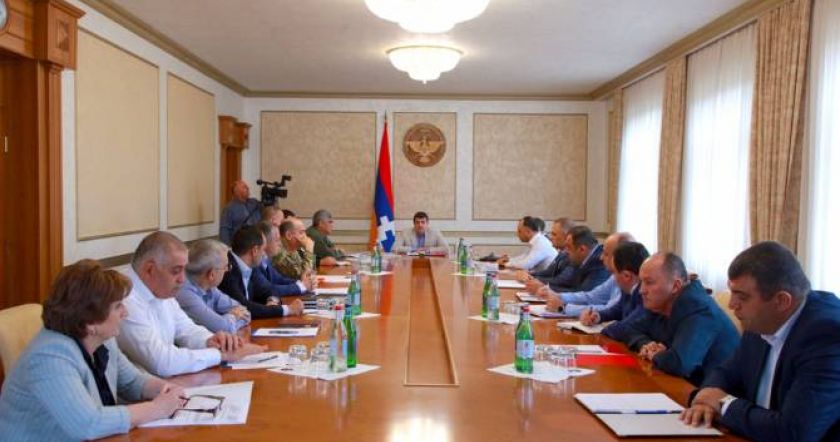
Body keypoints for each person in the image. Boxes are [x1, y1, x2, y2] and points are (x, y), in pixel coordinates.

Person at [0, 260, 188, 440]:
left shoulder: (102, 340)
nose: (125, 313)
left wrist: (163, 389)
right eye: (118, 306)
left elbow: (131, 381)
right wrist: (157, 408)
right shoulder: (49, 358)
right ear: (90, 321)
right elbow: (89, 424)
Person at [681, 241, 840, 440]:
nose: (731, 304)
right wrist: (705, 400)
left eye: (742, 297)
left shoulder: (827, 336)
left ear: (781, 301)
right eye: (732, 293)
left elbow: (793, 433)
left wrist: (723, 404)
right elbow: (726, 372)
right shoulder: (761, 322)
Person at [117, 231, 264, 377]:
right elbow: (161, 362)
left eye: (184, 271)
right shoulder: (125, 301)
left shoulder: (162, 290)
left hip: (169, 383)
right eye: (176, 271)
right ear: (150, 269)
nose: (182, 279)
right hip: (145, 389)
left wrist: (212, 341)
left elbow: (187, 329)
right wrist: (220, 355)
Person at [623, 252, 739, 386]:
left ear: (675, 286)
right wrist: (647, 344)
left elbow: (680, 364)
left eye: (649, 283)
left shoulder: (698, 307)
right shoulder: (660, 304)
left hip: (716, 392)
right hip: (683, 384)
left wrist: (654, 355)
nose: (641, 290)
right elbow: (629, 328)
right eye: (641, 282)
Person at [218, 225, 305, 318]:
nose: (264, 254)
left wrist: (272, 300)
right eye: (263, 249)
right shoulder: (227, 270)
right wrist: (288, 309)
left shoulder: (249, 266)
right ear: (254, 251)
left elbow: (266, 291)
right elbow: (243, 306)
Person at [538, 231, 632, 316]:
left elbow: (609, 309)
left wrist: (564, 307)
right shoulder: (614, 276)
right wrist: (559, 296)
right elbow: (592, 296)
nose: (601, 257)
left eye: (606, 254)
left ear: (621, 257)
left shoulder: (626, 276)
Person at [176, 239, 252, 333]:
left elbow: (245, 313)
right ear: (211, 274)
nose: (227, 270)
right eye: (226, 267)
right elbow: (224, 328)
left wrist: (226, 321)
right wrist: (232, 316)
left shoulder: (210, 288)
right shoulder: (185, 294)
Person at [579, 241, 648, 343]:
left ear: (626, 276)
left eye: (613, 273)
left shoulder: (646, 295)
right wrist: (598, 316)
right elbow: (618, 309)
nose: (613, 278)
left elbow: (626, 327)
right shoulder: (628, 288)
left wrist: (604, 330)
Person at [254, 221, 313, 297]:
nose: (306, 237)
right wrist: (309, 251)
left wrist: (304, 283)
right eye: (301, 232)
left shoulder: (266, 259)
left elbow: (279, 279)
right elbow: (299, 274)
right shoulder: (278, 254)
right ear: (264, 242)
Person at [517, 217, 575, 287]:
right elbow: (548, 272)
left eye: (554, 234)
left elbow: (560, 280)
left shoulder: (573, 256)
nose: (551, 237)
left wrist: (530, 278)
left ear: (566, 237)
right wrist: (529, 274)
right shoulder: (562, 253)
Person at [219, 180, 262, 245]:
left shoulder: (254, 202)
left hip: (256, 241)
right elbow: (224, 230)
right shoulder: (229, 209)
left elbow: (266, 211)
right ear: (236, 191)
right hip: (240, 243)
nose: (248, 188)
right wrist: (226, 248)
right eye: (244, 187)